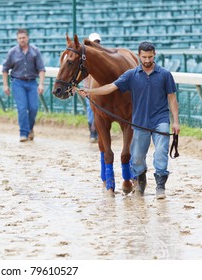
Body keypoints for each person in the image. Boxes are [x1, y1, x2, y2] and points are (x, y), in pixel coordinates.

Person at [77, 41, 180, 199]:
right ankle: (140, 180)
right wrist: (90, 91)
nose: (147, 60)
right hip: (139, 121)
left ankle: (160, 186)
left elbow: (172, 98)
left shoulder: (165, 74)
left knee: (161, 153)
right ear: (139, 56)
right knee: (137, 157)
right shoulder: (131, 75)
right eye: (144, 57)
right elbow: (111, 87)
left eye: (150, 57)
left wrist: (176, 122)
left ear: (155, 55)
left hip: (160, 119)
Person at [2, 28, 46, 142]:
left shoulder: (35, 51)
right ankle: (23, 133)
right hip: (18, 82)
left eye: (24, 37)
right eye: (20, 38)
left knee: (33, 108)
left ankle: (30, 128)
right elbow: (5, 69)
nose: (22, 40)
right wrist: (5, 85)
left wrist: (41, 84)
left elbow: (41, 69)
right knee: (22, 108)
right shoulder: (12, 52)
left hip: (32, 82)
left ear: (28, 38)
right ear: (17, 39)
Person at [84, 32, 101, 143]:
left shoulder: (101, 55)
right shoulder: (85, 57)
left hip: (98, 89)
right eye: (94, 42)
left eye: (97, 42)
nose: (96, 44)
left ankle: (98, 132)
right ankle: (92, 132)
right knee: (91, 112)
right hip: (89, 89)